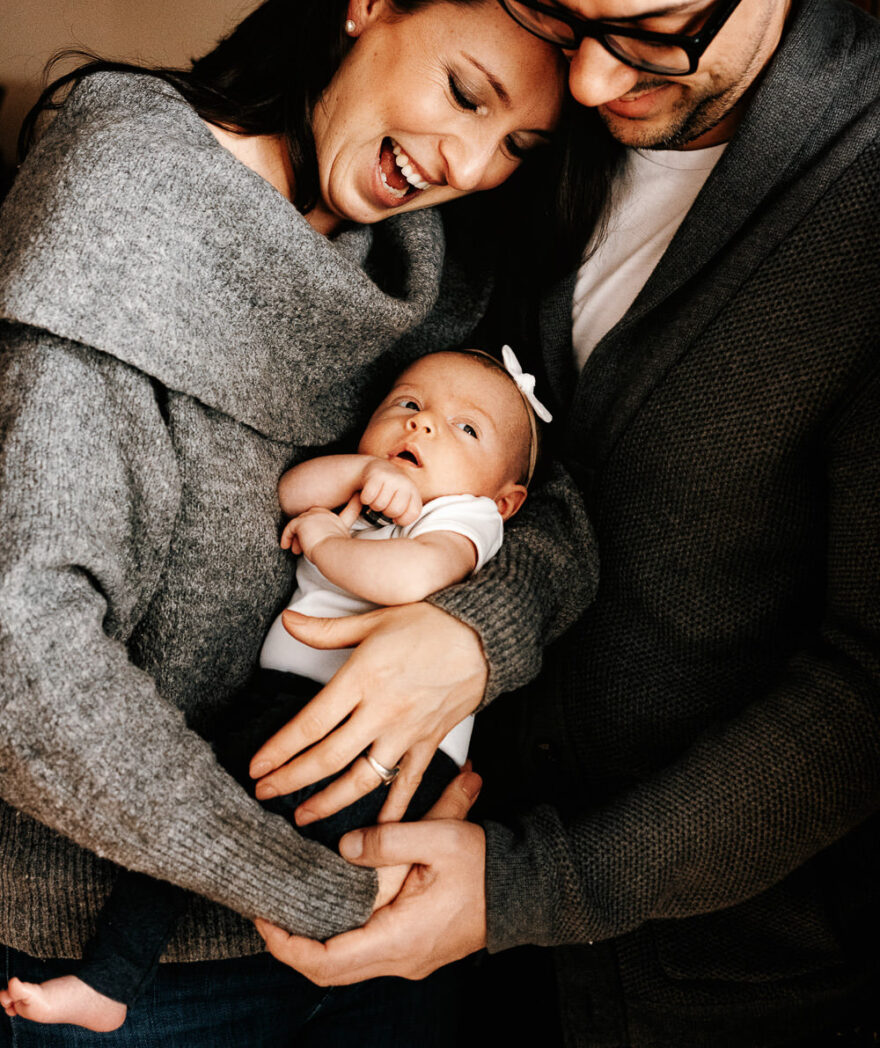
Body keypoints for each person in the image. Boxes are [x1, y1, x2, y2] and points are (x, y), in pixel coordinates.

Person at [258, 0, 880, 1045]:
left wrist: (531, 889)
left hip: (723, 992)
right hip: (443, 952)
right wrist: (478, 621)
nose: (589, 83)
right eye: (557, 6)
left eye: (653, 34)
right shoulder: (518, 124)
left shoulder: (862, 211)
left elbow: (867, 694)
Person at [0, 0, 598, 1047]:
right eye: (465, 94)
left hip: (393, 917)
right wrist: (317, 888)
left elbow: (557, 506)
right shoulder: (127, 208)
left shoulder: (437, 262)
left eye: (517, 144)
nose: (467, 164)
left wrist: (473, 635)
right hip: (131, 967)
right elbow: (25, 658)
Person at [1, 345, 550, 1033]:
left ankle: (115, 980)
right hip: (292, 710)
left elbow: (406, 578)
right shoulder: (373, 488)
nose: (424, 425)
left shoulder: (466, 519)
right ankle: (109, 983)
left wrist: (324, 539)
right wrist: (361, 472)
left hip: (382, 743)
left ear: (505, 498)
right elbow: (292, 490)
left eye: (466, 429)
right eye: (408, 405)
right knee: (187, 824)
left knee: (210, 831)